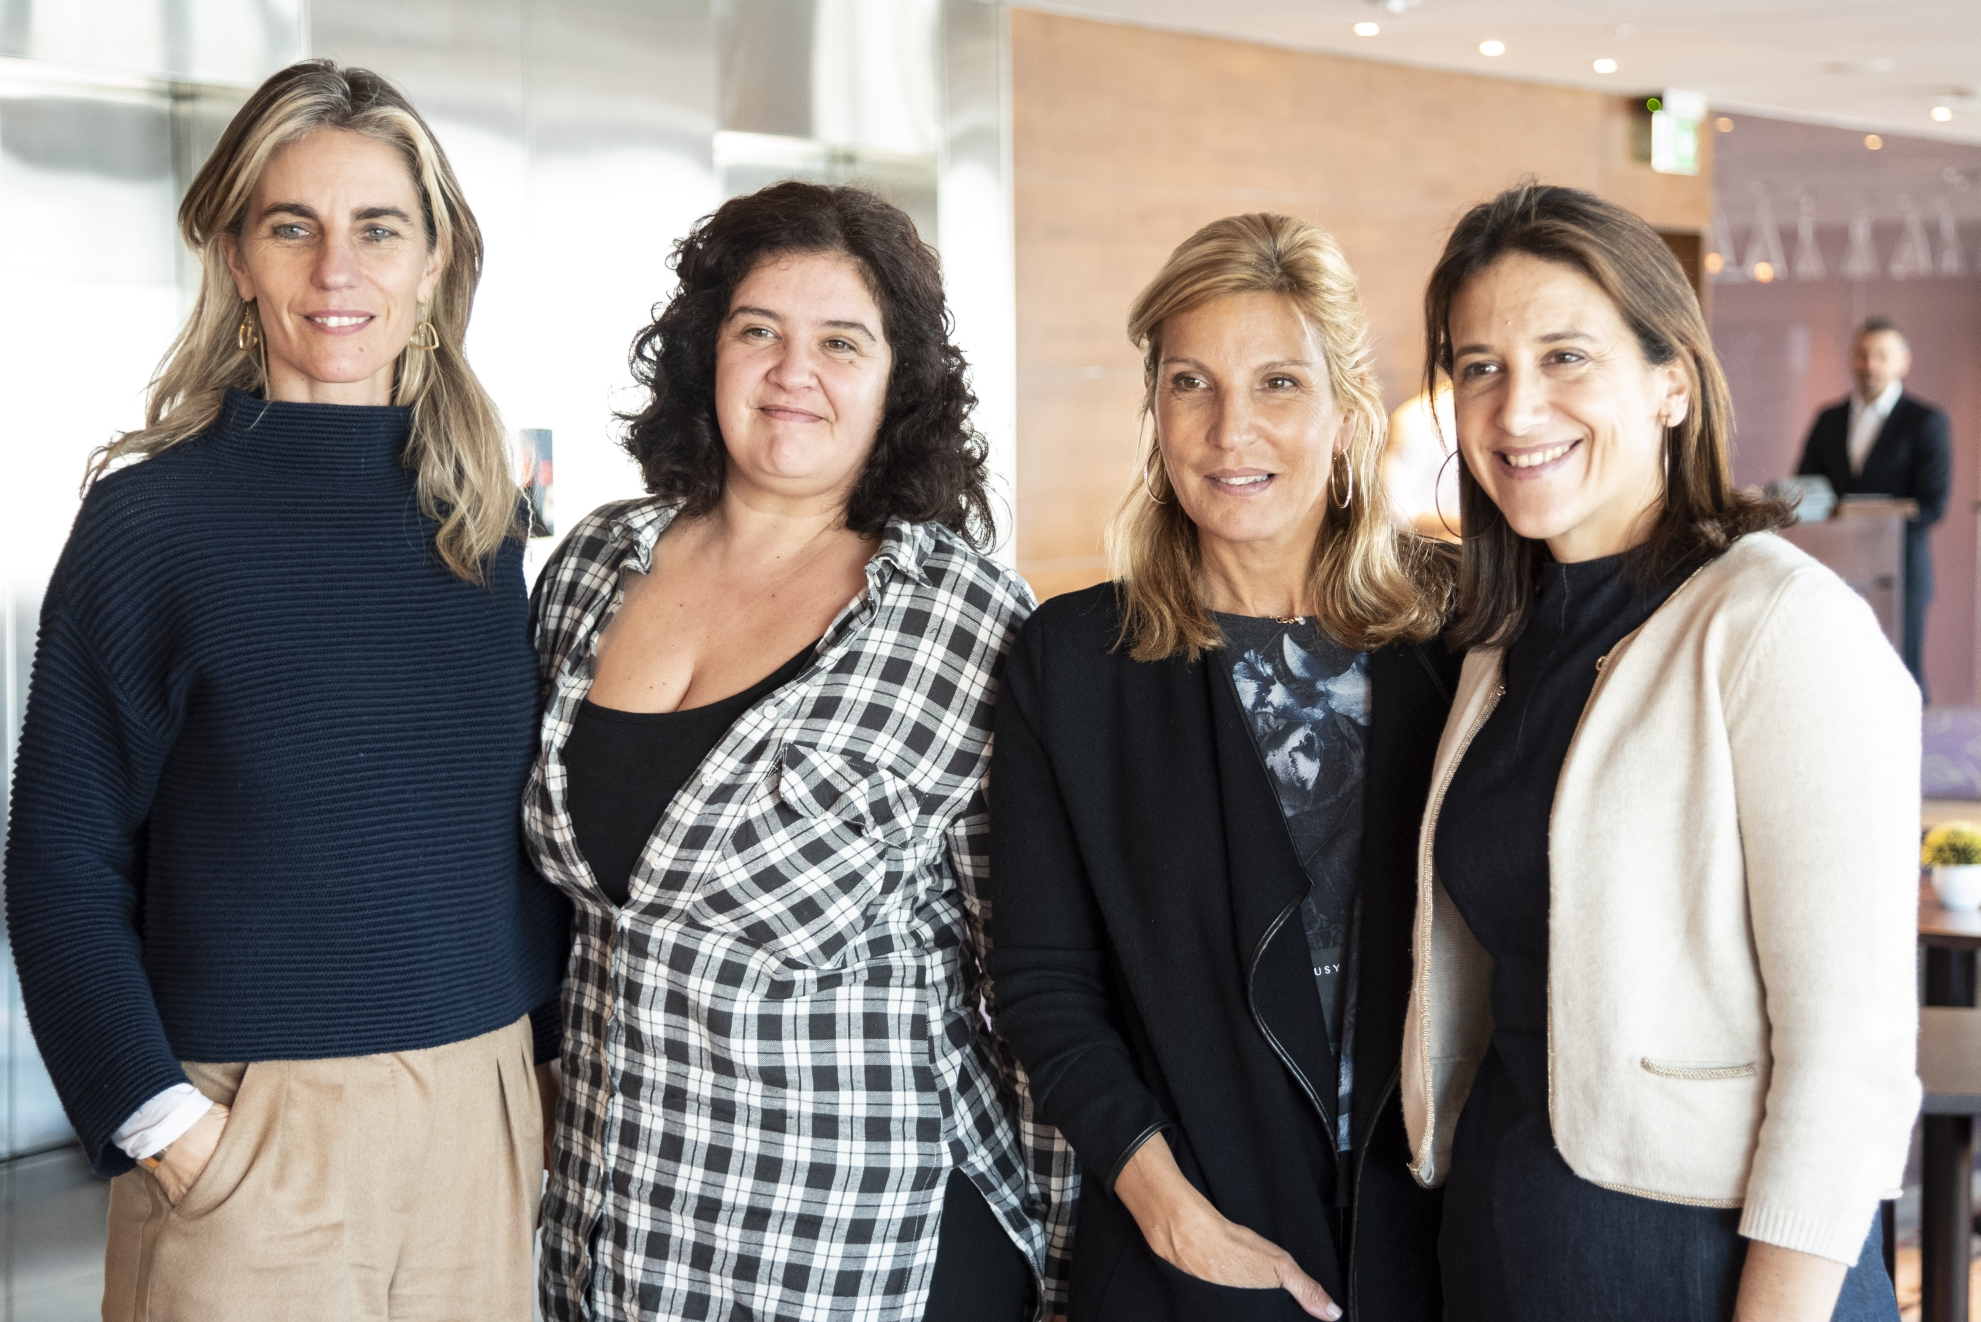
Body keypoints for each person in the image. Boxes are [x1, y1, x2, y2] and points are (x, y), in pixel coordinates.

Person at [3, 59, 568, 1321]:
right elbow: (58, 860)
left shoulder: (490, 522)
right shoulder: (150, 521)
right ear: (237, 257)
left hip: (481, 1117)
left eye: (379, 229)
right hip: (247, 1131)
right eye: (291, 226)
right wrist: (165, 1124)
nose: (336, 270)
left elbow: (514, 833)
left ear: (433, 262)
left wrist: (536, 1068)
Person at [525, 181, 1072, 1322]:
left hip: (854, 1251)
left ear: (897, 383)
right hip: (613, 1244)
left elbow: (1031, 974)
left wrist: (1073, 1266)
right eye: (757, 330)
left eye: (841, 341)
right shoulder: (590, 567)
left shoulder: (967, 623)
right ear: (702, 352)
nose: (793, 372)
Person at [1409, 183, 1917, 1322]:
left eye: (1565, 357)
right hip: (1505, 1238)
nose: (1515, 405)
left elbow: (1850, 1050)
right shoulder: (1503, 638)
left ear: (1671, 381)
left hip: (1701, 1263)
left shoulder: (1777, 622)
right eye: (1478, 365)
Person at [991, 213, 1457, 1322]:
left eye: (1278, 384)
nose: (1228, 427)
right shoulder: (1073, 662)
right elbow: (1044, 991)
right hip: (1188, 1258)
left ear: (1346, 416)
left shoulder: (1462, 629)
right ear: (1153, 413)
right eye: (1190, 382)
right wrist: (1171, 1214)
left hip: (1440, 1242)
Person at [1795, 316, 1951, 695]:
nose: (1870, 365)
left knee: (1901, 676)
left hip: (1901, 571)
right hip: (1836, 569)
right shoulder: (1827, 419)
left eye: (1881, 356)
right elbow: (1805, 488)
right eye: (1862, 355)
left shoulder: (1927, 422)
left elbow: (1932, 505)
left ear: (1903, 362)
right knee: (1839, 676)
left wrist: (1867, 521)